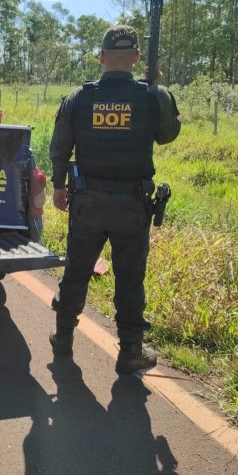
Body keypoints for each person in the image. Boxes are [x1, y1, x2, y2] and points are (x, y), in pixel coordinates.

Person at [48, 24, 181, 374]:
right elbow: (168, 135)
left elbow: (60, 147)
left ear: (101, 58)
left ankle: (62, 341)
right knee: (129, 277)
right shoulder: (150, 96)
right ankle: (131, 352)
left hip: (87, 203)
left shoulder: (80, 97)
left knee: (76, 271)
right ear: (137, 58)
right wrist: (159, 88)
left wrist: (59, 187)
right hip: (132, 206)